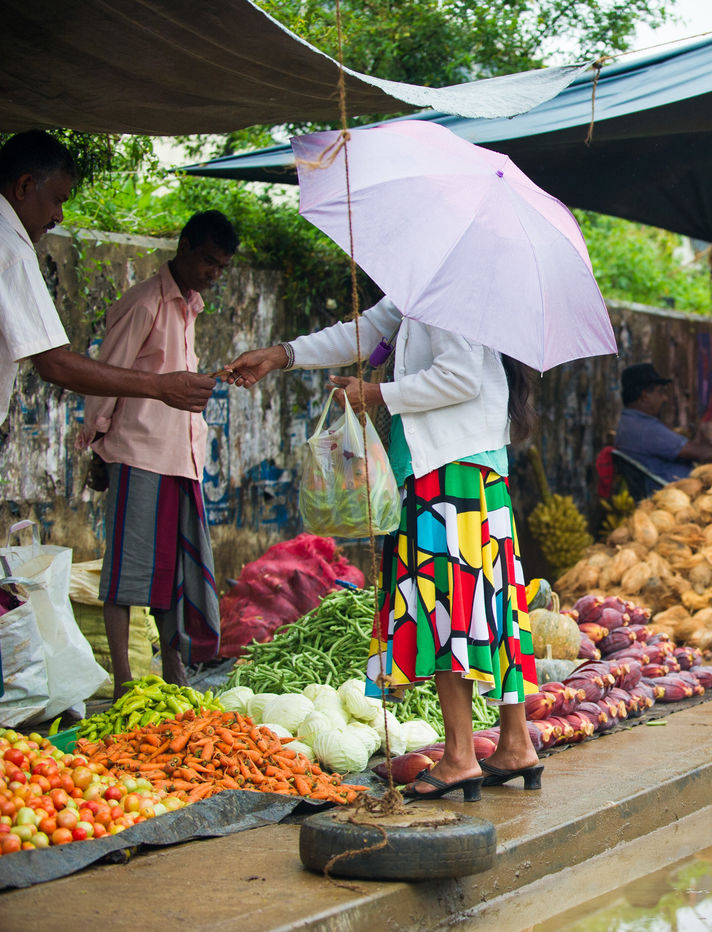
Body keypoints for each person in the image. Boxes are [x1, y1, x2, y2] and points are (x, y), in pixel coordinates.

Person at [226, 298, 542, 800]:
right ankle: (516, 744)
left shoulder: (445, 290)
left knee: (447, 612)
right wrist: (280, 355)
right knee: (489, 610)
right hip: (475, 476)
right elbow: (365, 329)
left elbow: (460, 377)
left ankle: (461, 756)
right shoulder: (434, 288)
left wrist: (376, 392)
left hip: (447, 480)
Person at [77, 211, 238, 695]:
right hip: (138, 451)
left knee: (173, 572)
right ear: (184, 247)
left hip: (180, 456)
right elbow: (105, 373)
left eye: (221, 266)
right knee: (127, 571)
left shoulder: (190, 305)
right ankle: (125, 682)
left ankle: (174, 672)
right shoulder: (145, 302)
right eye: (208, 260)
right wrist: (97, 441)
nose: (213, 272)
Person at [0, 130, 214, 429]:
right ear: (24, 186)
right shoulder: (11, 250)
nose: (59, 215)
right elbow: (54, 364)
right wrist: (160, 387)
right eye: (57, 200)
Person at [613, 362, 712, 483]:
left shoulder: (629, 423)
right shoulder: (644, 428)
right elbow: (701, 453)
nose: (665, 399)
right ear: (644, 396)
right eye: (660, 392)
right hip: (676, 494)